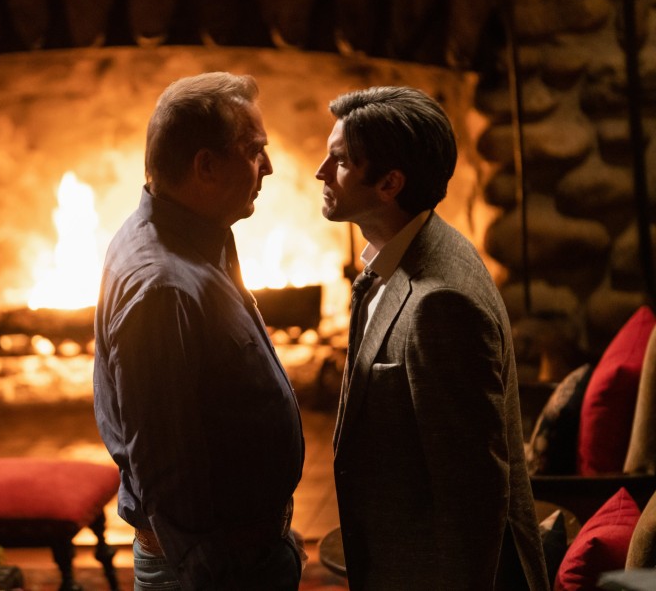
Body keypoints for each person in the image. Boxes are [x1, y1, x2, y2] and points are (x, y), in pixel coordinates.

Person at [318, 86, 549, 590]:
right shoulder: (410, 248)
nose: (319, 172)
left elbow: (473, 494)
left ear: (389, 184)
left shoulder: (442, 304)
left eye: (337, 161)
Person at [93, 72, 306, 590]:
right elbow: (164, 463)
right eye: (254, 150)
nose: (269, 167)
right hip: (216, 572)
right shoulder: (163, 289)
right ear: (205, 166)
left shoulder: (194, 233)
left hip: (246, 551)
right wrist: (218, 569)